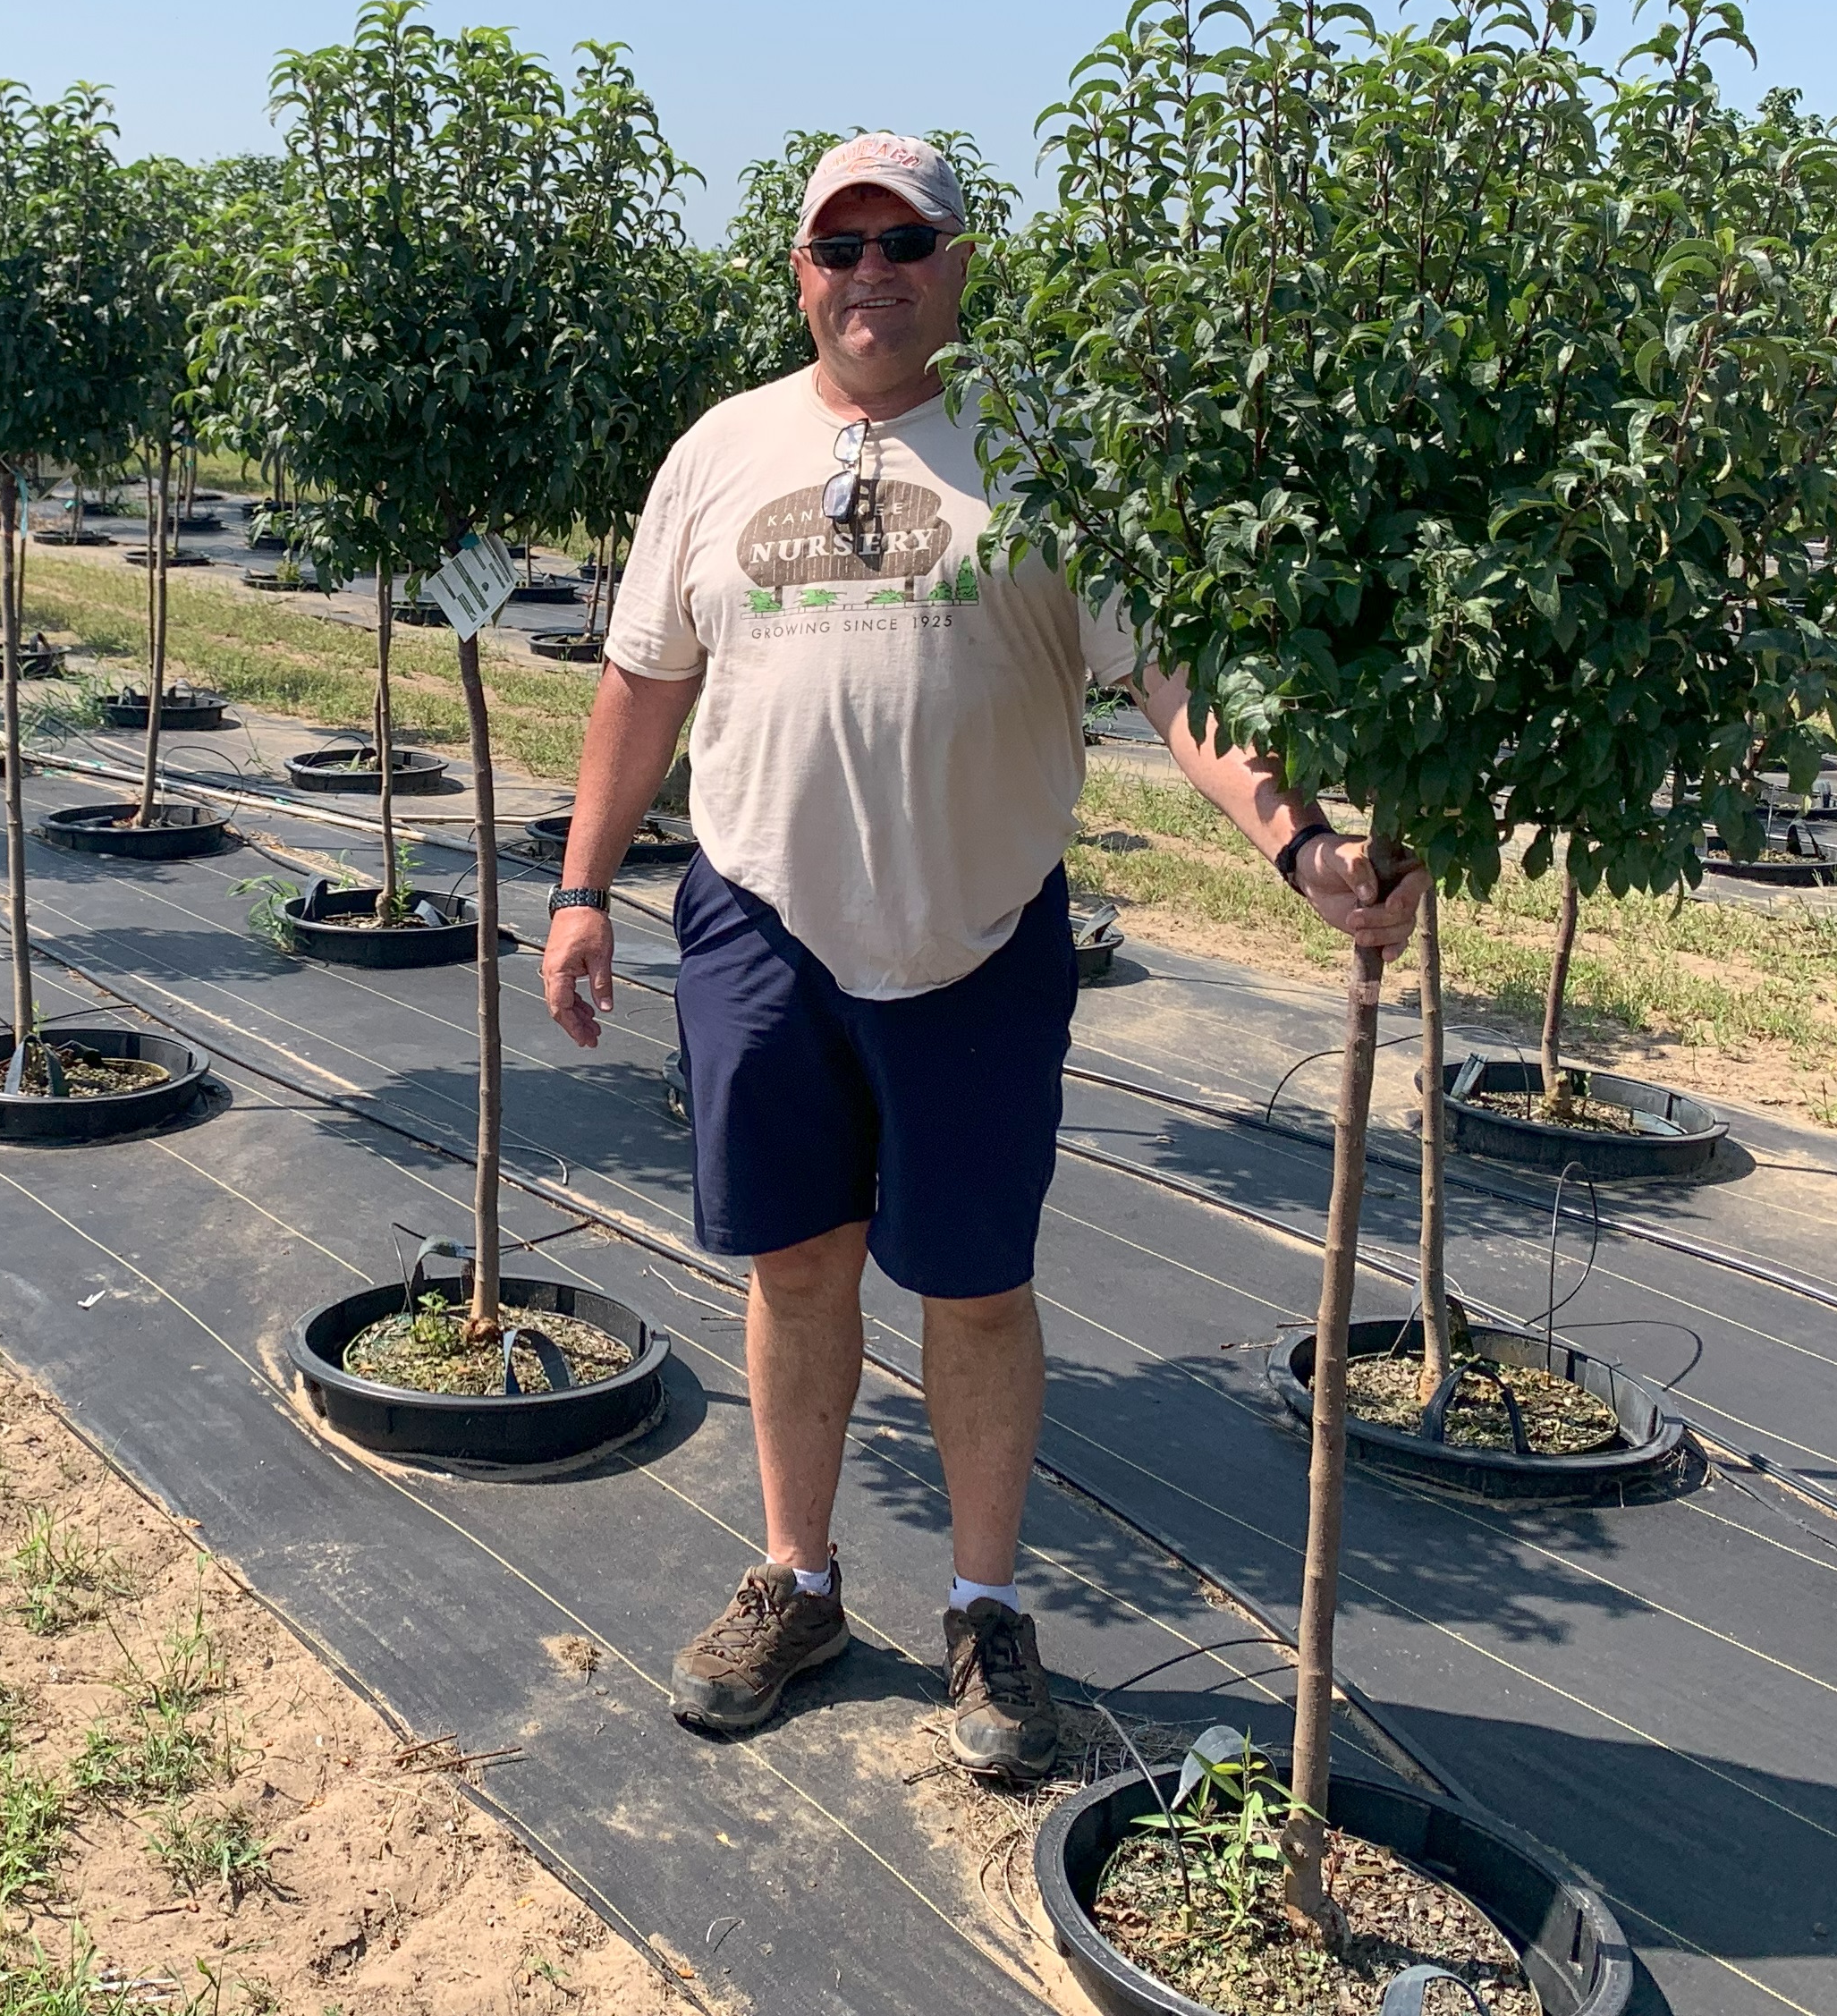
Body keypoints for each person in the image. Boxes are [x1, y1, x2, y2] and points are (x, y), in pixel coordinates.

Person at [540, 131, 1421, 1780]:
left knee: (976, 1284)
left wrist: (1298, 846)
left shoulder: (1048, 452)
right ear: (799, 269)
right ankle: (798, 1582)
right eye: (839, 243)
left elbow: (1173, 681)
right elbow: (642, 685)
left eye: (905, 239)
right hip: (759, 920)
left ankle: (985, 1605)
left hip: (978, 934)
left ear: (958, 260)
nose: (870, 271)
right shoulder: (721, 454)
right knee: (796, 1267)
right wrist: (585, 885)